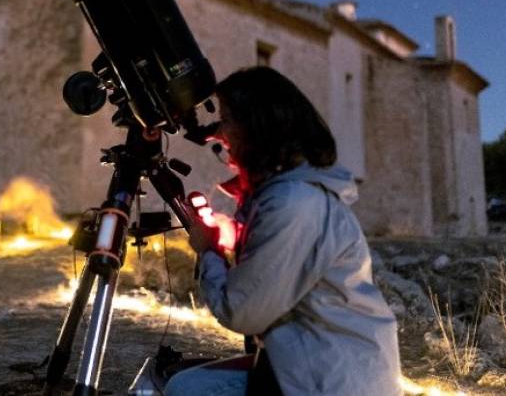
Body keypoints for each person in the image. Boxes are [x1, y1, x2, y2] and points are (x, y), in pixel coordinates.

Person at [165, 67, 401, 396]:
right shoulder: (291, 194)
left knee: (187, 390)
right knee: (184, 383)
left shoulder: (292, 202)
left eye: (228, 119)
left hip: (332, 379)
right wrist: (233, 233)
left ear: (258, 125)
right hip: (322, 362)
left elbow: (242, 312)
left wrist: (208, 250)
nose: (221, 132)